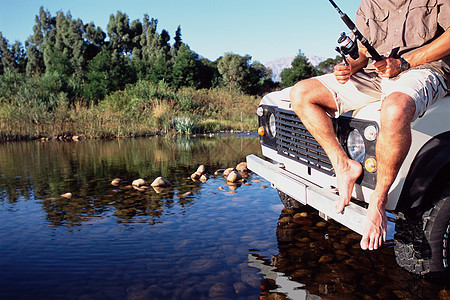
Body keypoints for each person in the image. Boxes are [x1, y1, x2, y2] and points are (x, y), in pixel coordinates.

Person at [289, 0, 450, 251]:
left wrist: (406, 62)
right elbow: (362, 53)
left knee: (395, 109)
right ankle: (343, 166)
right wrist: (349, 67)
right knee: (301, 93)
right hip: (378, 75)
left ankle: (379, 199)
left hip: (425, 70)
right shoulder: (369, 4)